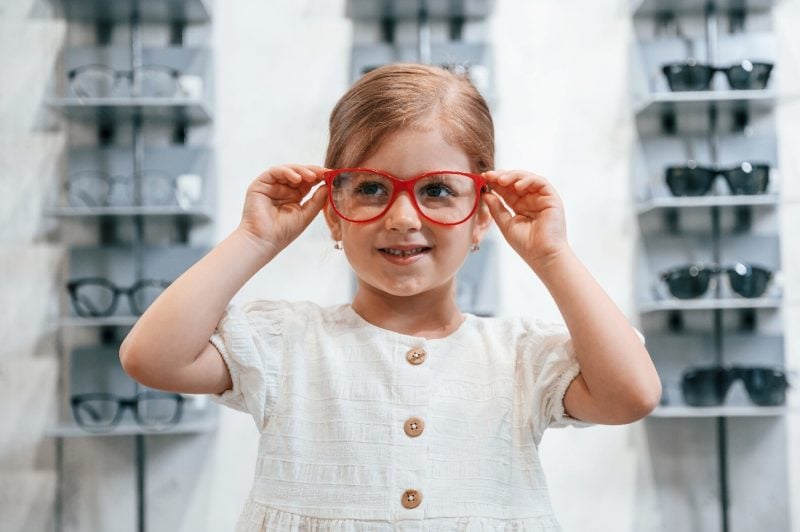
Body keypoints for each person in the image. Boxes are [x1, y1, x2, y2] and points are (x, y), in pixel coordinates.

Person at [120, 63, 661, 531]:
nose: (403, 218)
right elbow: (153, 357)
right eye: (372, 188)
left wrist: (552, 256)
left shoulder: (519, 357)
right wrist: (255, 239)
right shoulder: (285, 343)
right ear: (333, 211)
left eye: (437, 190)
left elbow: (630, 395)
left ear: (481, 217)